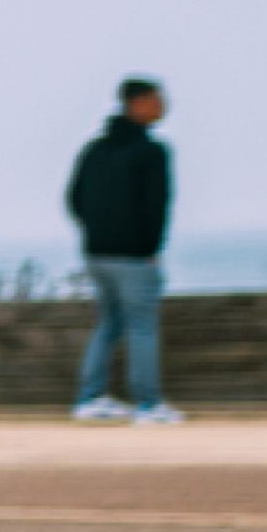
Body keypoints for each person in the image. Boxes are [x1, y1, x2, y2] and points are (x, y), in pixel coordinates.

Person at [68, 82, 180, 423]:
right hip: (134, 256)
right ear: (139, 104)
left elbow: (74, 199)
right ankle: (148, 404)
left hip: (97, 253)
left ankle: (89, 398)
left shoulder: (94, 149)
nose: (164, 106)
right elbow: (157, 205)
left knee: (109, 323)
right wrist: (149, 248)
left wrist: (96, 232)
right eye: (158, 100)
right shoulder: (152, 151)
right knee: (142, 326)